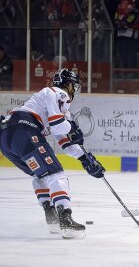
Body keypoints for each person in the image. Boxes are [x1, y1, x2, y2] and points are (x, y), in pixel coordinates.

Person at [0, 68, 105, 239]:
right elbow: (59, 126)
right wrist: (73, 127)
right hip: (24, 131)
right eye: (74, 87)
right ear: (68, 85)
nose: (74, 91)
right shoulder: (57, 93)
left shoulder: (58, 107)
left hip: (7, 139)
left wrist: (85, 159)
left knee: (40, 174)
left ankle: (52, 218)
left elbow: (64, 141)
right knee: (56, 174)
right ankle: (66, 220)